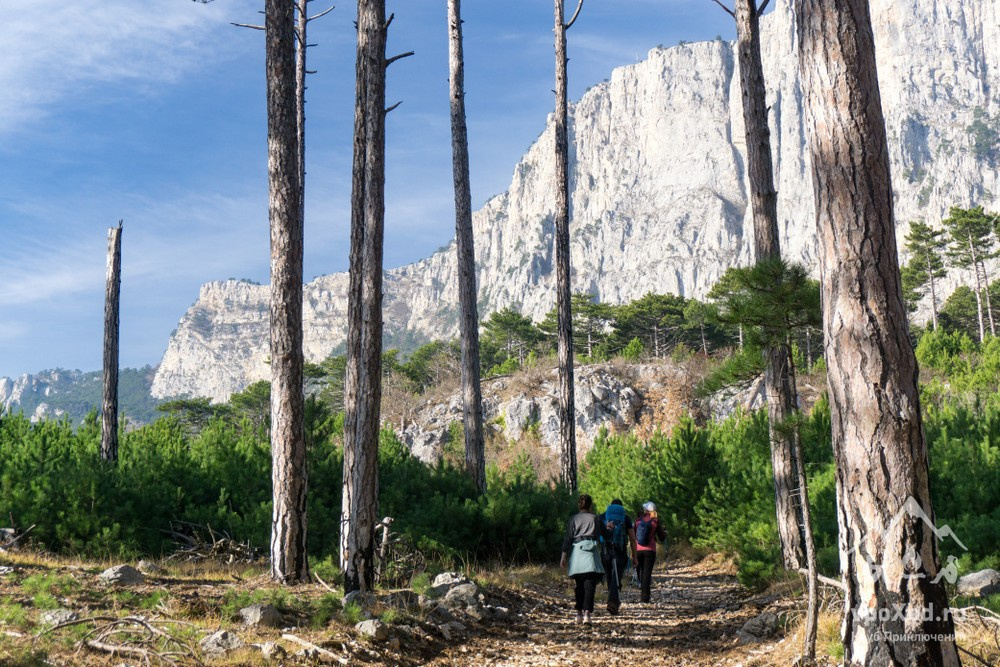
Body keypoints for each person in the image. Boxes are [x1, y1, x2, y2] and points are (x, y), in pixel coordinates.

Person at [560, 493, 607, 623]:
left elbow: (568, 539)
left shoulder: (573, 519)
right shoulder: (596, 518)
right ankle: (587, 614)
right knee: (590, 585)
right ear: (590, 505)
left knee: (579, 585)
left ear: (579, 505)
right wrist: (609, 528)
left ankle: (579, 613)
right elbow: (606, 535)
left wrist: (563, 556)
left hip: (577, 554)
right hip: (591, 554)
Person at [597, 498, 637, 615]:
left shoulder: (603, 516)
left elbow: (598, 535)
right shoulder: (625, 518)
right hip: (620, 550)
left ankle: (613, 601)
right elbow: (633, 539)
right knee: (616, 576)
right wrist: (634, 556)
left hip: (606, 550)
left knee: (610, 575)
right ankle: (613, 603)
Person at [634, 501, 667, 603]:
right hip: (650, 550)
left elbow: (634, 534)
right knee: (647, 573)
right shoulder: (655, 521)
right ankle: (645, 597)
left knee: (640, 571)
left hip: (638, 550)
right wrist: (665, 533)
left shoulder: (638, 520)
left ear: (645, 510)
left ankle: (641, 587)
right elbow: (661, 537)